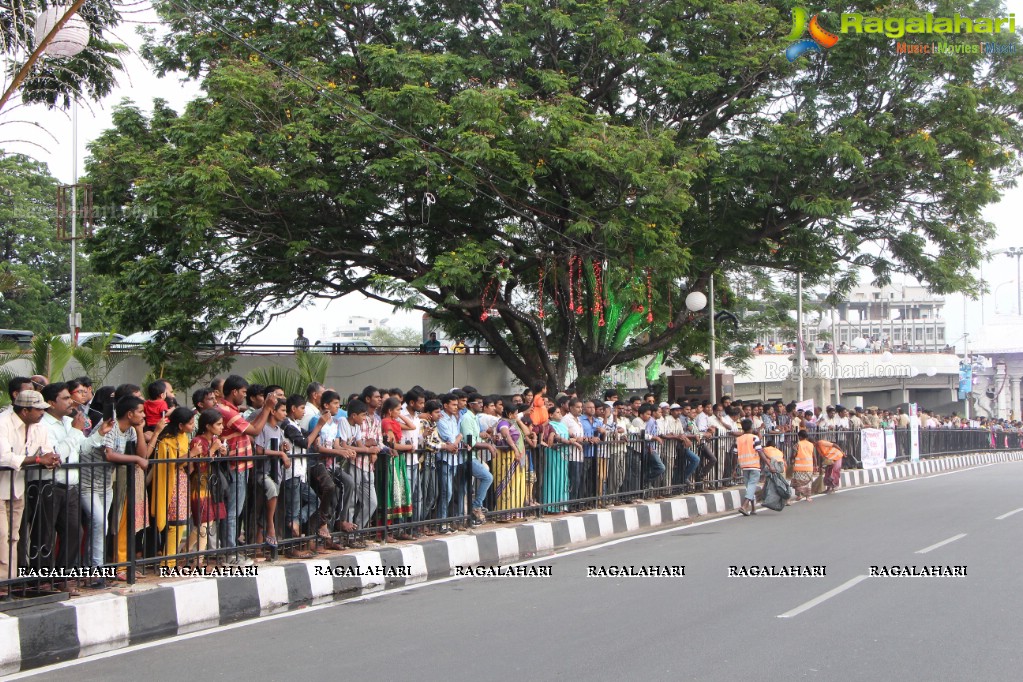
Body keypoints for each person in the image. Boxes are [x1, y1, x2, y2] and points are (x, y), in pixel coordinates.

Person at [0, 391, 60, 586]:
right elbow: (4, 457)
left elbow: (46, 449)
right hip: (1, 486)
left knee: (13, 536)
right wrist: (37, 460)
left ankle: (9, 580)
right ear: (25, 410)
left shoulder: (38, 427)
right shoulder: (3, 423)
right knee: (1, 535)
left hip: (16, 487)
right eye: (38, 409)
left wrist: (52, 457)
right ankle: (3, 581)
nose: (43, 412)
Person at [216, 375, 277, 566]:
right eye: (243, 392)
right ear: (234, 392)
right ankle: (230, 554)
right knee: (233, 511)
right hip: (235, 466)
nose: (244, 395)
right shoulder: (227, 412)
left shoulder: (230, 410)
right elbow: (255, 430)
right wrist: (267, 408)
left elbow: (251, 426)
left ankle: (229, 551)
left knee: (234, 511)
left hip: (240, 466)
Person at [106, 395, 162, 580]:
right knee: (118, 523)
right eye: (140, 412)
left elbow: (143, 454)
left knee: (128, 523)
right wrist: (137, 460)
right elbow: (110, 455)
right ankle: (118, 565)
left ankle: (125, 564)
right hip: (108, 483)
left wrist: (139, 431)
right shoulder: (111, 427)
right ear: (129, 414)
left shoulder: (130, 429)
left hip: (123, 481)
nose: (143, 415)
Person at [153, 407, 197, 567]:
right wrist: (192, 454)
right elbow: (172, 463)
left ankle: (169, 560)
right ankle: (168, 563)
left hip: (183, 482)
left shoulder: (184, 437)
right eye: (190, 423)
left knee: (181, 523)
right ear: (180, 425)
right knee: (175, 524)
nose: (193, 426)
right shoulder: (167, 441)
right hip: (172, 484)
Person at [253, 400, 292, 552]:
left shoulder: (279, 430)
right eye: (283, 410)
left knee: (267, 506)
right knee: (271, 492)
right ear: (273, 412)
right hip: (264, 472)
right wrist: (280, 453)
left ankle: (259, 547)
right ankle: (270, 525)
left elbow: (280, 448)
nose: (285, 413)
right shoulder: (264, 428)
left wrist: (284, 449)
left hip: (277, 473)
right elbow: (259, 450)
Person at [380, 397, 415, 539]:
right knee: (392, 494)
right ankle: (387, 531)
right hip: (391, 460)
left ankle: (398, 530)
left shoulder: (395, 421)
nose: (400, 411)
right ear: (389, 411)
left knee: (400, 494)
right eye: (398, 409)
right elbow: (392, 445)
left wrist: (399, 414)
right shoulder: (386, 422)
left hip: (398, 460)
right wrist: (410, 447)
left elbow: (412, 426)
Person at [492, 402, 526, 515]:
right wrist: (515, 449)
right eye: (515, 414)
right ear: (510, 414)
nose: (517, 416)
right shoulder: (503, 423)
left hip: (514, 458)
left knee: (516, 485)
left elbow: (526, 433)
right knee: (506, 485)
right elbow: (506, 435)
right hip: (505, 459)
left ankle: (515, 512)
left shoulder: (513, 423)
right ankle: (504, 513)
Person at [735, 418, 770, 516]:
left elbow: (734, 454)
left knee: (749, 487)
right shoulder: (755, 438)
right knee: (751, 486)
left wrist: (734, 469)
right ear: (751, 427)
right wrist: (769, 464)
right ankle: (744, 505)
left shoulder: (738, 439)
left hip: (744, 466)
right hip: (754, 465)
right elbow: (760, 452)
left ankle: (753, 508)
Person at [791, 430, 817, 502]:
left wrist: (791, 460)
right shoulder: (811, 445)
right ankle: (808, 497)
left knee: (798, 482)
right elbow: (814, 456)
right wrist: (816, 465)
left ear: (800, 437)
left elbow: (793, 455)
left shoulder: (797, 444)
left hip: (798, 467)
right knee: (808, 482)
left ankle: (799, 495)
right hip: (809, 467)